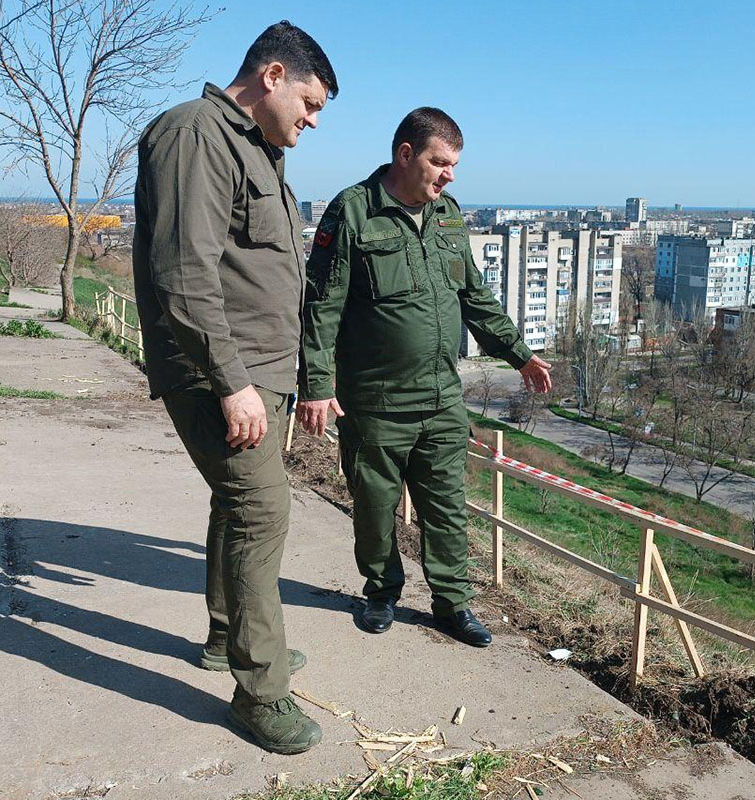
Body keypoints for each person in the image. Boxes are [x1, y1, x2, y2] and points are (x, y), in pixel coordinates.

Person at [131, 21, 336, 755]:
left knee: (239, 502)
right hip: (221, 373)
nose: (312, 121)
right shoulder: (196, 135)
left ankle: (229, 638)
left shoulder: (256, 150)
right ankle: (261, 690)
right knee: (262, 508)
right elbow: (183, 275)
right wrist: (230, 383)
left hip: (257, 374)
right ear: (273, 76)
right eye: (309, 103)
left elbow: (263, 275)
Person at [296, 107, 552, 647]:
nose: (449, 175)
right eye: (440, 162)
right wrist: (317, 385)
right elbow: (321, 307)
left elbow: (474, 297)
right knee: (373, 505)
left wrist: (520, 355)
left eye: (455, 165)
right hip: (375, 401)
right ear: (405, 154)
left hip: (440, 397)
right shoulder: (354, 213)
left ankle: (453, 604)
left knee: (447, 507)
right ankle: (382, 591)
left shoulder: (449, 216)